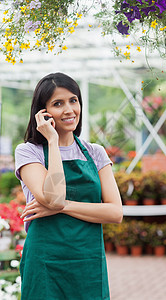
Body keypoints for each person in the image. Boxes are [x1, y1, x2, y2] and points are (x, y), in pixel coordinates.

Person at [15, 72, 123, 300]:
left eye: (73, 100)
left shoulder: (95, 153)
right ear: (42, 113)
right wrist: (53, 141)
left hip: (88, 264)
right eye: (57, 103)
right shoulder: (28, 152)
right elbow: (53, 197)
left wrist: (62, 207)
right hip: (45, 263)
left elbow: (115, 212)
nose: (69, 110)